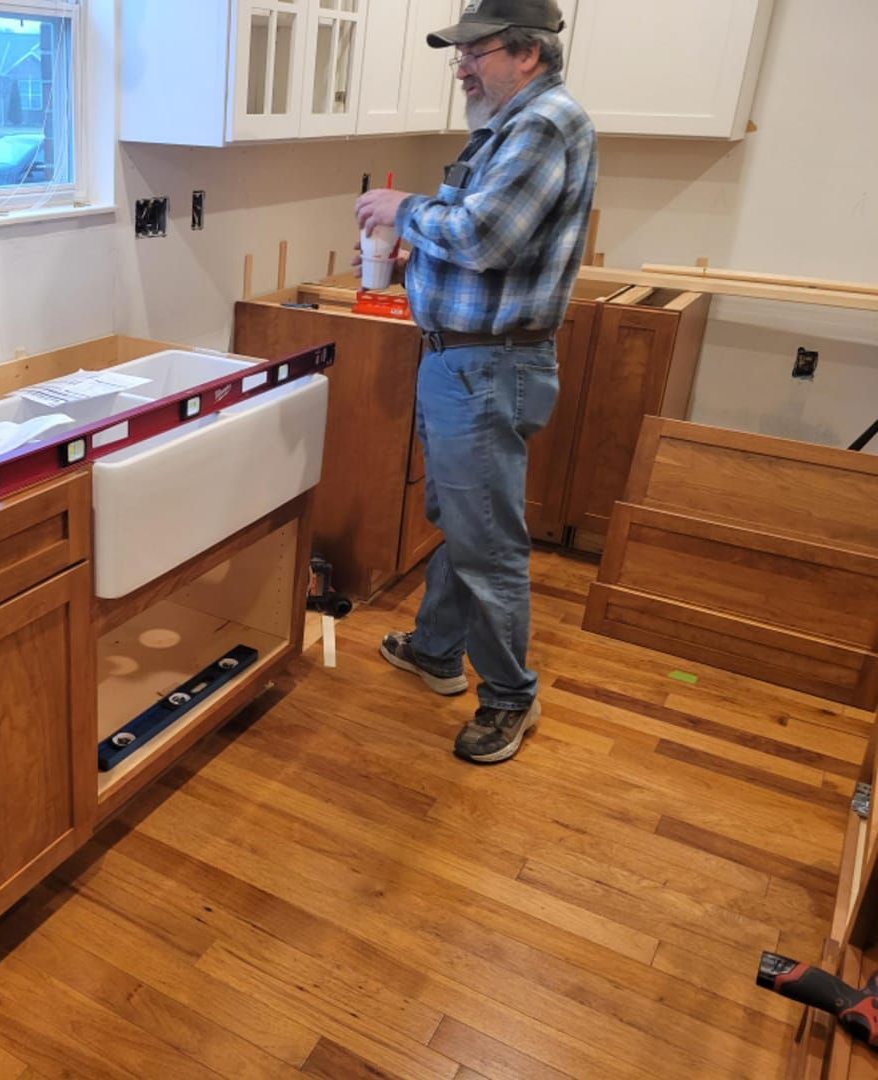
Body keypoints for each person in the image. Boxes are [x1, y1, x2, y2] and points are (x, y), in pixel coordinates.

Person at [353, 0, 597, 765]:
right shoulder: (505, 122)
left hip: (487, 364)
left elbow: (486, 238)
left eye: (475, 51)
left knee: (486, 541)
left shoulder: (542, 124)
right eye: (457, 53)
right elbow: (473, 223)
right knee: (458, 517)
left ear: (527, 53)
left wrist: (405, 208)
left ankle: (508, 698)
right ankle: (435, 648)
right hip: (462, 360)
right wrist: (414, 255)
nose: (460, 64)